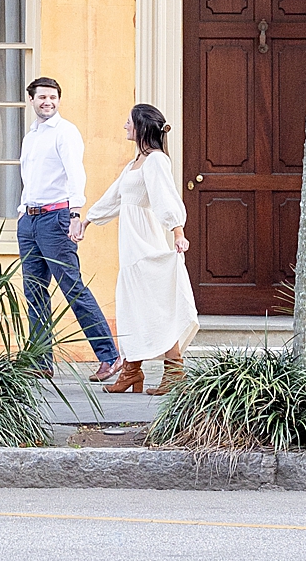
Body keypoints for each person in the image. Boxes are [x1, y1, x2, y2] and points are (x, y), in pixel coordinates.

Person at [83, 103, 199, 395]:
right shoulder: (134, 162)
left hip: (145, 242)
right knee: (132, 306)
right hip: (131, 245)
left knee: (152, 306)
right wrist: (87, 220)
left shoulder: (156, 161)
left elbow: (165, 197)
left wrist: (177, 230)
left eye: (128, 122)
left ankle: (174, 370)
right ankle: (132, 371)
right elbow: (115, 196)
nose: (124, 126)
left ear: (141, 127)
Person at [17, 76, 123, 382]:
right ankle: (41, 360)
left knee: (72, 286)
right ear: (32, 100)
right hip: (30, 220)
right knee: (34, 291)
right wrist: (22, 213)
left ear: (59, 100)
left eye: (53, 97)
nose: (47, 102)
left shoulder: (65, 133)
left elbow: (76, 174)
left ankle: (109, 356)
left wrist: (76, 212)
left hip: (56, 219)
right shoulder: (32, 137)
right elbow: (29, 179)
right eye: (42, 97)